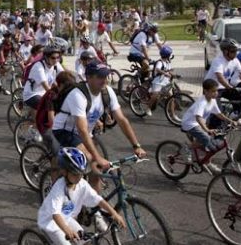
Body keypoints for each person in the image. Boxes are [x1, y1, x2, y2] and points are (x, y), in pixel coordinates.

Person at [51, 60, 146, 231]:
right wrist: (95, 157)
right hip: (65, 131)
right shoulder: (77, 95)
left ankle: (93, 209)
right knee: (91, 162)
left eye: (106, 76)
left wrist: (136, 145)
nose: (105, 80)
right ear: (88, 77)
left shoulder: (107, 92)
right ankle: (71, 202)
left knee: (97, 169)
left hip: (85, 132)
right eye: (100, 76)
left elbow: (122, 120)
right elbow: (80, 129)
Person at [37, 148, 124, 245]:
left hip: (67, 218)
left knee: (86, 241)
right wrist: (67, 230)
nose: (79, 177)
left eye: (81, 174)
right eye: (75, 174)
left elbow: (98, 200)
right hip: (52, 223)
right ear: (64, 172)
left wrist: (114, 213)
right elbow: (56, 215)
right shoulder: (59, 189)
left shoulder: (82, 184)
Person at [180, 79, 236, 174]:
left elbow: (219, 114)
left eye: (216, 91)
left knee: (213, 142)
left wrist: (231, 121)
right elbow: (198, 118)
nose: (216, 93)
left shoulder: (212, 101)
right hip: (190, 124)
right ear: (205, 91)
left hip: (199, 124)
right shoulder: (201, 102)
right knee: (206, 138)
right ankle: (187, 148)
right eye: (213, 91)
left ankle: (205, 161)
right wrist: (206, 129)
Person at [145, 46, 174, 117]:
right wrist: (165, 73)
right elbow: (158, 69)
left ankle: (172, 114)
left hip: (165, 82)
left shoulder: (168, 62)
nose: (170, 56)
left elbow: (169, 71)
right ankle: (148, 108)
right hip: (157, 82)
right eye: (170, 54)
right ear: (167, 55)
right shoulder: (160, 62)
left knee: (172, 97)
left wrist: (174, 75)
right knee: (155, 95)